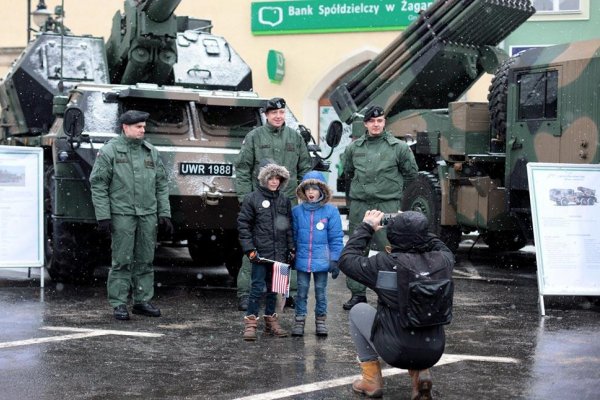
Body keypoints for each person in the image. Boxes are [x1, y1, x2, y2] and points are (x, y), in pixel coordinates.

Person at [338, 210, 454, 399]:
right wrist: (415, 225)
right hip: (433, 350)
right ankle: (419, 374)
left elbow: (346, 260)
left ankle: (371, 380)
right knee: (421, 318)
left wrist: (367, 226)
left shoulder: (384, 263)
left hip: (396, 350)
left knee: (358, 310)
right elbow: (437, 245)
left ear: (393, 236)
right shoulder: (443, 261)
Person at [90, 110, 173, 321]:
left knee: (145, 259)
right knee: (122, 260)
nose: (142, 130)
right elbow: (98, 185)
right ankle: (118, 303)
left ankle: (142, 301)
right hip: (122, 214)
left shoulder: (150, 152)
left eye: (144, 126)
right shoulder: (110, 152)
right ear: (125, 127)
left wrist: (164, 213)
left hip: (147, 214)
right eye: (138, 127)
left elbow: (161, 184)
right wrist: (103, 217)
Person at [234, 97, 312, 311]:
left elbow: (305, 167)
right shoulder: (254, 137)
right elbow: (242, 168)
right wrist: (245, 199)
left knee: (288, 248)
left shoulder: (295, 138)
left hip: (288, 203)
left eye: (281, 112)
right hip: (260, 202)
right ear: (266, 115)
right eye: (273, 113)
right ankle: (246, 292)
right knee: (255, 246)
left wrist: (305, 196)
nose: (278, 116)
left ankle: (287, 293)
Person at [341, 105, 418, 310]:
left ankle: (393, 293)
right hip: (360, 205)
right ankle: (357, 294)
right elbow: (347, 171)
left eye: (380, 121)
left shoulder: (399, 148)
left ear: (384, 122)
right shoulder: (354, 148)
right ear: (365, 123)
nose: (376, 124)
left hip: (387, 205)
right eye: (372, 121)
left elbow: (411, 173)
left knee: (391, 248)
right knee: (359, 248)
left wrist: (390, 189)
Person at [237, 162, 294, 341]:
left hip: (280, 254)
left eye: (278, 178)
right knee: (256, 287)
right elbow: (243, 225)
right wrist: (249, 249)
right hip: (260, 253)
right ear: (264, 179)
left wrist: (291, 248)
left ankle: (271, 320)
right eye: (271, 178)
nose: (274, 182)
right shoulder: (252, 198)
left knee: (274, 289)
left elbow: (289, 227)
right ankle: (251, 322)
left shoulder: (284, 200)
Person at [291, 171, 344, 337]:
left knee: (321, 291)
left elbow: (336, 238)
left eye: (314, 188)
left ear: (322, 190)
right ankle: (299, 320)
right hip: (302, 260)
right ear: (304, 191)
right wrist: (290, 254)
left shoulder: (330, 212)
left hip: (322, 260)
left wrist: (335, 260)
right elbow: (291, 236)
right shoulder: (297, 212)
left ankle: (320, 320)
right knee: (301, 291)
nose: (311, 192)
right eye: (308, 189)